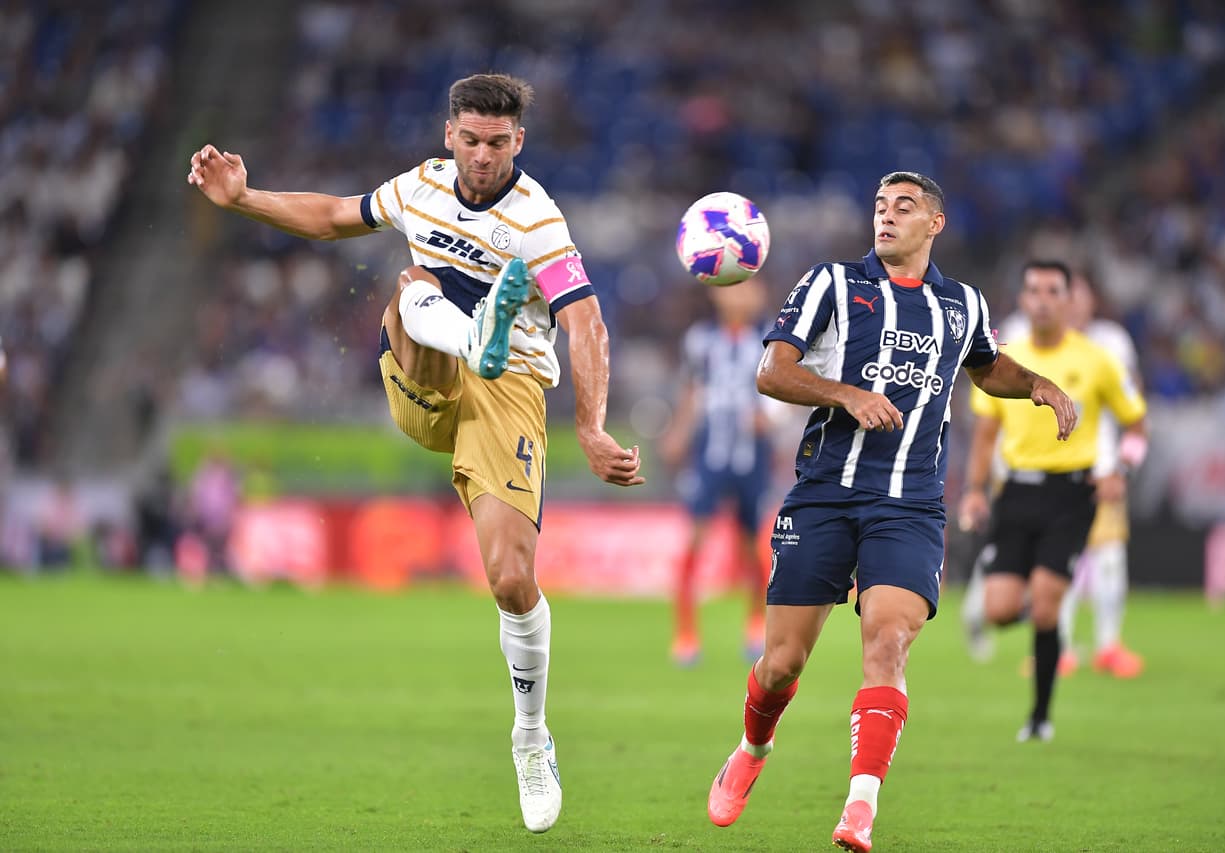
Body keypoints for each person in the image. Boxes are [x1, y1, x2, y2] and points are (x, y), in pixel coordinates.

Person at [187, 73, 644, 834]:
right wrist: (244, 198)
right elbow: (336, 215)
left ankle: (531, 736)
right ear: (448, 135)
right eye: (471, 140)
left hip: (510, 393)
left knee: (510, 577)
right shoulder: (420, 187)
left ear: (518, 143)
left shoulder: (539, 221)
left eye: (499, 143)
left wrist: (591, 427)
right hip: (427, 377)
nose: (483, 156)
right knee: (409, 284)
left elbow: (586, 321)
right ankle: (474, 335)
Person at [704, 171, 1077, 851]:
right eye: (879, 206)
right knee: (782, 661)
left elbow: (986, 366)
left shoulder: (962, 302)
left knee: (888, 638)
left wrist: (1038, 384)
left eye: (903, 207)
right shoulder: (832, 284)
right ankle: (753, 747)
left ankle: (860, 804)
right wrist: (846, 394)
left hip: (910, 503)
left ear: (934, 222)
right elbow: (771, 370)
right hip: (823, 494)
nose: (886, 216)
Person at [957, 260, 1147, 743]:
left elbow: (1137, 424)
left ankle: (1039, 719)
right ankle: (1003, 613)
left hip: (1071, 492)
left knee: (1045, 606)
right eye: (1033, 290)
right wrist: (975, 491)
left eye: (1052, 291)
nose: (1042, 299)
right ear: (1022, 300)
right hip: (1015, 489)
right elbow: (985, 434)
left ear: (1069, 301)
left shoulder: (1098, 359)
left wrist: (1120, 469)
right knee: (1001, 610)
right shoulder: (1004, 364)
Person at [660, 277, 772, 666]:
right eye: (732, 287)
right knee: (694, 538)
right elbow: (692, 391)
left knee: (752, 544)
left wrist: (774, 420)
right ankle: (686, 633)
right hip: (709, 451)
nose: (740, 295)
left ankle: (757, 623)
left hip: (751, 453)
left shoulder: (772, 339)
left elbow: (788, 394)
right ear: (715, 292)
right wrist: (678, 433)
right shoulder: (701, 340)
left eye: (748, 288)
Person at [1058, 270, 1148, 677]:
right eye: (1066, 295)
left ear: (1092, 300)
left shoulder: (1111, 342)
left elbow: (1134, 406)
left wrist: (1124, 468)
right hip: (1053, 470)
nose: (1073, 303)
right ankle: (1058, 648)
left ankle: (1109, 645)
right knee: (1058, 562)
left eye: (1080, 294)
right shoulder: (1033, 342)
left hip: (1104, 468)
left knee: (1109, 558)